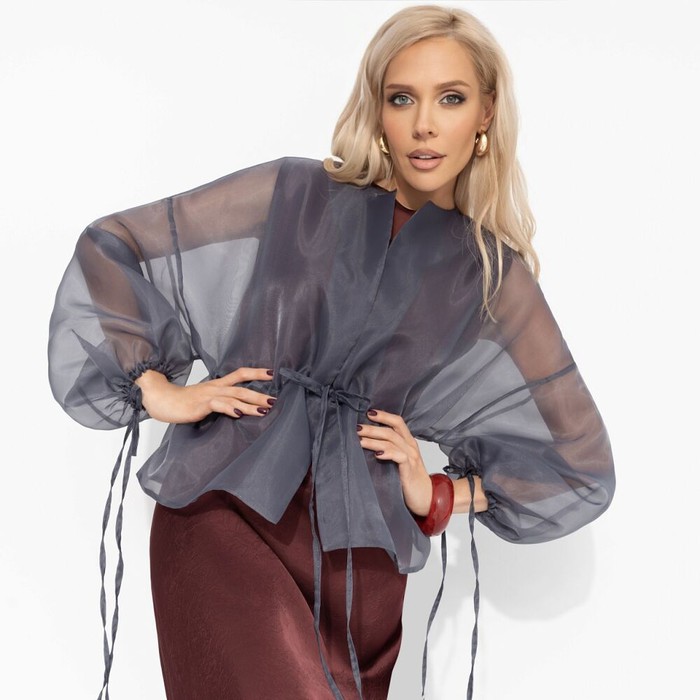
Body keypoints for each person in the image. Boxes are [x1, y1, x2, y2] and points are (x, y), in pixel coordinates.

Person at [47, 4, 615, 699]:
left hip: (360, 573)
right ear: (377, 109)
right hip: (228, 509)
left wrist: (438, 493)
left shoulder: (490, 275)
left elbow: (578, 470)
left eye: (451, 98)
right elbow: (115, 249)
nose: (425, 124)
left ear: (486, 114)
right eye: (401, 98)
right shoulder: (295, 193)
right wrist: (160, 390)